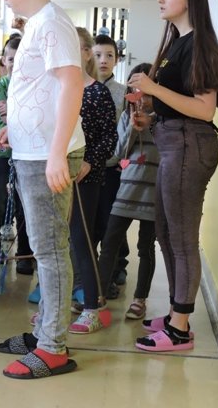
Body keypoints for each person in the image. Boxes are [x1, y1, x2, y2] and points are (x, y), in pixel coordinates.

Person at [0, 0, 85, 379]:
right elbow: (38, 87)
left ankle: (53, 348)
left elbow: (71, 86)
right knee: (46, 247)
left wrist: (56, 151)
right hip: (33, 148)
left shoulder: (52, 23)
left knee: (50, 251)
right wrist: (17, 129)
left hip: (49, 153)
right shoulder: (37, 24)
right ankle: (45, 332)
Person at [128, 0, 218, 352]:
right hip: (173, 142)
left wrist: (152, 88)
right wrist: (150, 113)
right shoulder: (176, 42)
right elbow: (179, 103)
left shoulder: (200, 43)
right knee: (166, 233)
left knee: (183, 239)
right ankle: (175, 313)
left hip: (189, 147)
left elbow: (204, 110)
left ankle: (180, 328)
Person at [66, 27, 117, 334]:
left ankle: (92, 309)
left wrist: (88, 162)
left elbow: (108, 138)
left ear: (86, 53)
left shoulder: (98, 93)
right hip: (59, 176)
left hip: (86, 177)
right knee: (59, 244)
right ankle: (56, 306)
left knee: (82, 241)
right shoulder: (59, 88)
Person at [98, 62, 159, 321]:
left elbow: (169, 152)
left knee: (146, 247)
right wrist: (133, 129)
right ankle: (97, 295)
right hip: (127, 190)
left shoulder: (165, 120)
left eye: (146, 91)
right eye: (135, 91)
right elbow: (119, 154)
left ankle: (139, 299)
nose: (140, 98)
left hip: (154, 194)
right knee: (110, 241)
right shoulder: (126, 116)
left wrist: (151, 124)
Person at [0, 36, 33, 274]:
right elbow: (6, 117)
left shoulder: (34, 85)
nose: (15, 63)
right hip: (2, 151)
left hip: (28, 153)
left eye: (19, 58)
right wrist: (27, 112)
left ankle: (25, 253)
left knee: (24, 205)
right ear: (4, 60)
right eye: (10, 59)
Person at [91, 35, 130, 292]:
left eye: (109, 56)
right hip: (88, 165)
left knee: (112, 219)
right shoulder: (82, 87)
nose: (103, 60)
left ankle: (116, 267)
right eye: (98, 55)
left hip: (113, 165)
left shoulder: (123, 92)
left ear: (117, 60)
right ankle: (93, 269)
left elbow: (127, 130)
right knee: (91, 220)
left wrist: (122, 160)